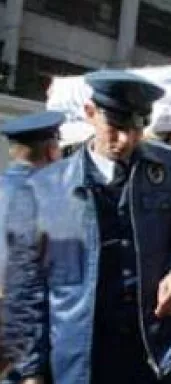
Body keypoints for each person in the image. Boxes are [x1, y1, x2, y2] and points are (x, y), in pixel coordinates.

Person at [2, 70, 171, 384]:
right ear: (90, 113)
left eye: (138, 129)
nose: (126, 140)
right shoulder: (46, 188)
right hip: (80, 354)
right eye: (116, 127)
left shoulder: (169, 170)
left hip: (154, 353)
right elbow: (28, 289)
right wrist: (31, 371)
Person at [0, 111, 64, 377]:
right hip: (22, 340)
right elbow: (27, 283)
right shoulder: (43, 197)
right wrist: (31, 367)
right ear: (51, 151)